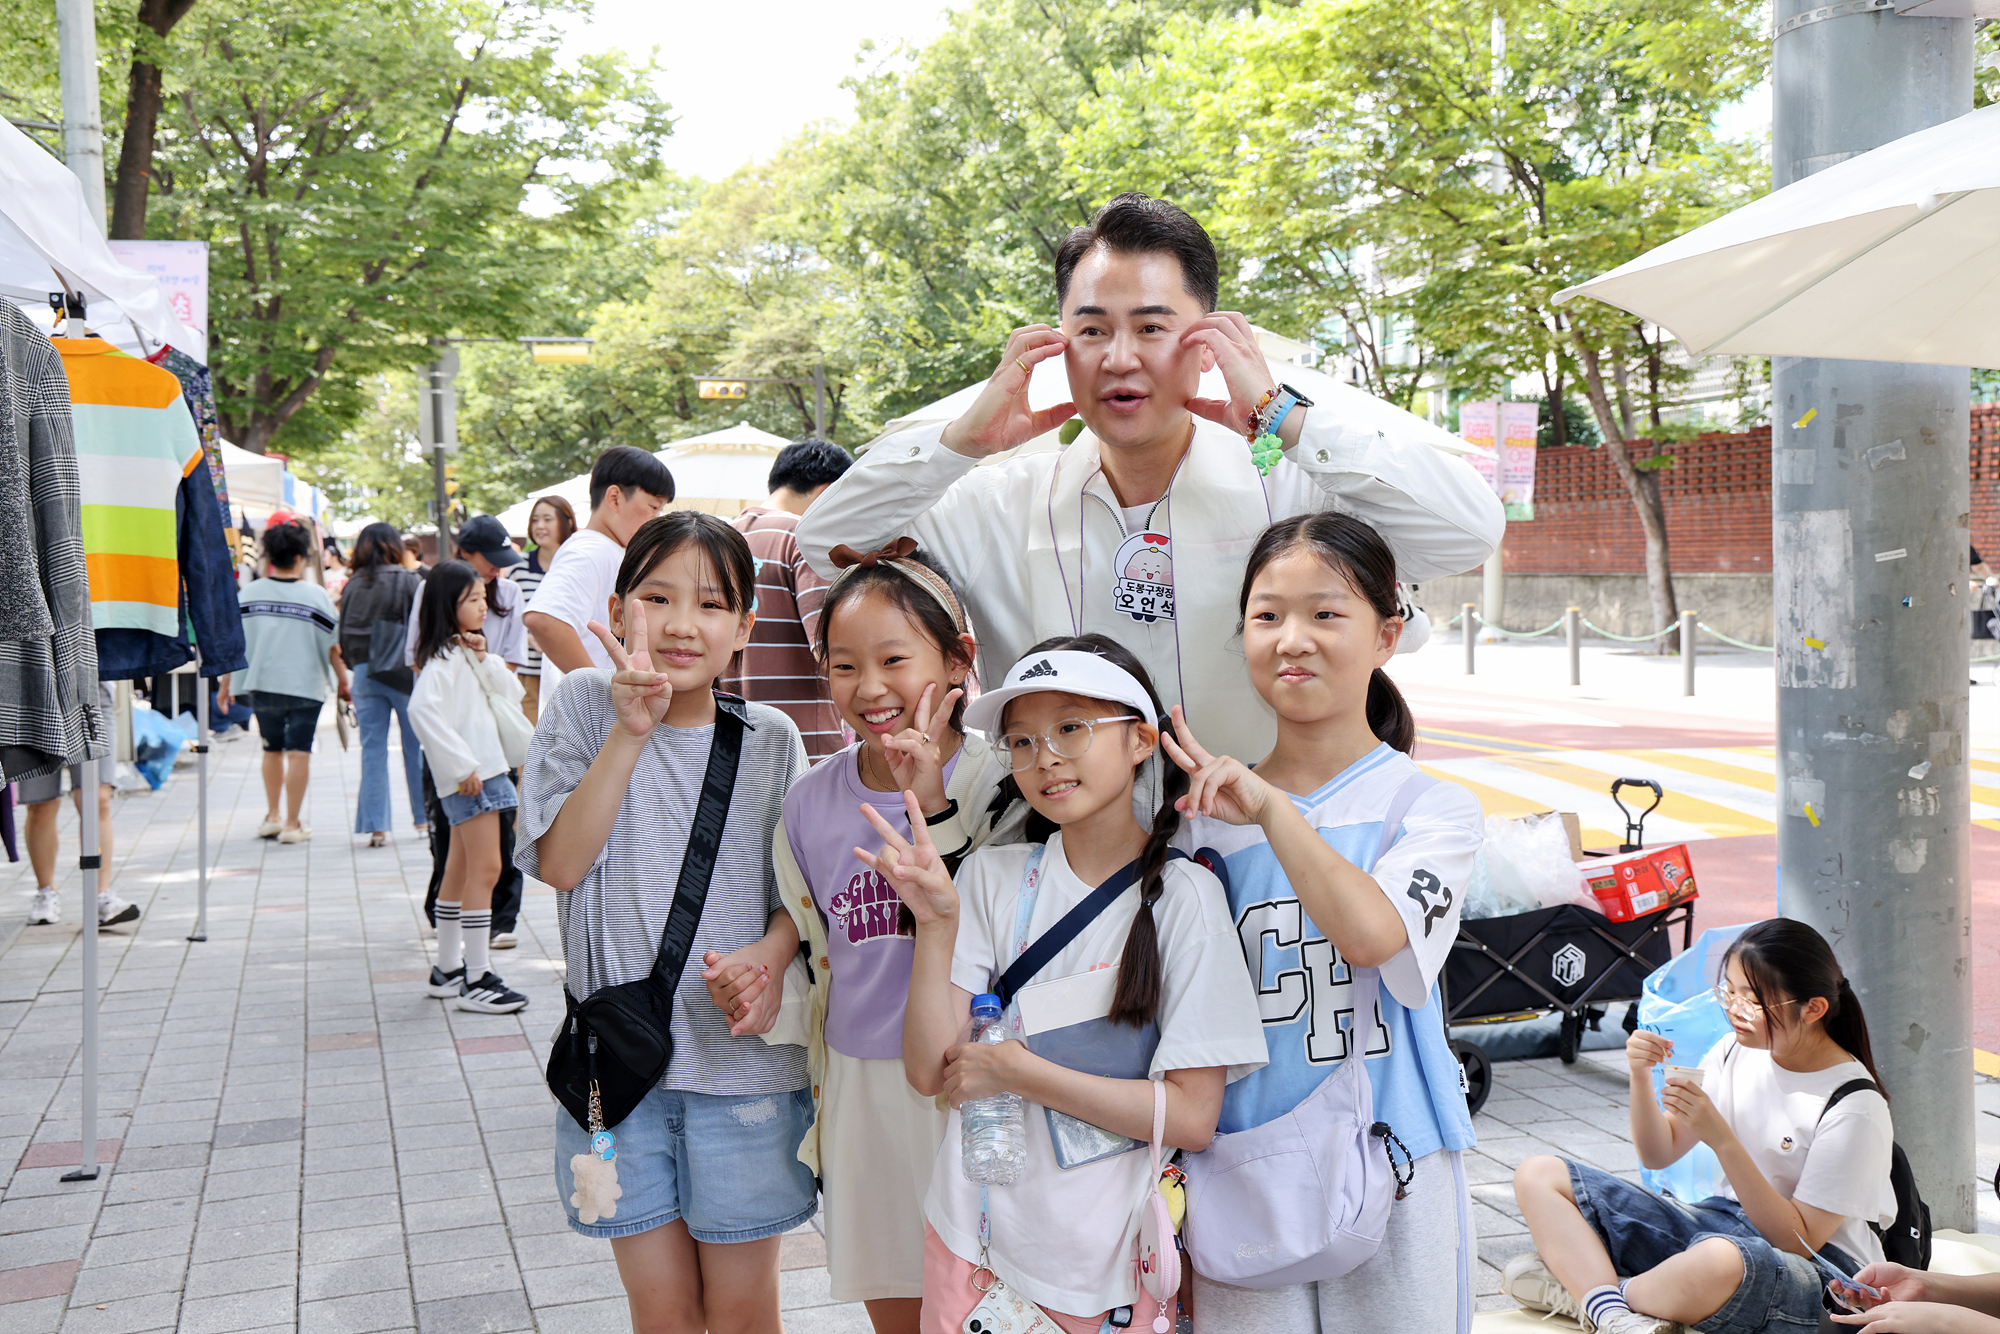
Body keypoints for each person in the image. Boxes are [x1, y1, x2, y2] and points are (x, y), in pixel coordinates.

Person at [796, 191, 1503, 761]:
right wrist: (958, 444)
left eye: (1153, 327)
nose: (1120, 358)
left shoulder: (1296, 496)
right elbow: (827, 543)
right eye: (1092, 330)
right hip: (1065, 864)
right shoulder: (998, 502)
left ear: (1211, 343)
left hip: (1265, 852)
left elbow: (1468, 532)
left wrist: (1286, 419)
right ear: (1058, 344)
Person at [867, 635, 1267, 1334]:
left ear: (1141, 740)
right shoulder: (990, 878)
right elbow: (931, 1072)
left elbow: (1191, 1118)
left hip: (1112, 1269)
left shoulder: (1186, 897)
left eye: (1071, 729)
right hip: (974, 1253)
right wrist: (934, 926)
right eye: (1021, 742)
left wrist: (1018, 1072)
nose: (1044, 757)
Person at [1158, 512, 1483, 1333]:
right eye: (1267, 616)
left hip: (1398, 1155)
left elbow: (1373, 935)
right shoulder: (1197, 825)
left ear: (1387, 636)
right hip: (1240, 1163)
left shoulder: (1429, 808)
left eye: (1326, 613)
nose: (1292, 639)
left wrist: (1273, 810)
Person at [517, 512, 813, 1334]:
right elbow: (561, 865)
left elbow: (800, 896)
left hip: (743, 1075)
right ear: (617, 612)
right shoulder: (582, 706)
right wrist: (629, 730)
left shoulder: (771, 740)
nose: (683, 623)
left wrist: (768, 956)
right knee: (663, 1312)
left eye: (712, 604)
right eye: (658, 597)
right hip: (616, 1079)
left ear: (745, 627)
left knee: (744, 1312)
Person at [760, 542, 1015, 1334]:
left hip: (978, 1084)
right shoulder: (808, 801)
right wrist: (765, 960)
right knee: (898, 1300)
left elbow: (1008, 928)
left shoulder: (1006, 782)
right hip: (861, 1085)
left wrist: (933, 802)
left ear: (958, 659)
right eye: (843, 665)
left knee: (996, 1299)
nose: (869, 688)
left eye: (895, 660)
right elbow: (806, 922)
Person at [1506, 918, 1896, 1334]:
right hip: (1722, 1227)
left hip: (1822, 1271)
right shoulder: (1732, 1050)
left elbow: (1798, 1240)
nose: (1733, 1010)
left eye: (1752, 1002)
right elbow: (1659, 1152)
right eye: (1729, 992)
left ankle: (1592, 1293)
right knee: (1539, 1174)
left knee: (1718, 1262)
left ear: (1813, 1009)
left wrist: (1723, 1140)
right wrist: (1640, 1075)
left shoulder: (1855, 1105)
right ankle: (1619, 1315)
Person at [407, 561, 530, 1014]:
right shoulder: (443, 659)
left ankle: (447, 969)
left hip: (476, 772)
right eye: (474, 599)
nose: (483, 606)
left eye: (483, 597)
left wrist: (483, 656)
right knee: (487, 869)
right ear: (449, 604)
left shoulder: (459, 652)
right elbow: (421, 711)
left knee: (459, 870)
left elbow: (510, 693)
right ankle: (477, 977)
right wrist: (461, 766)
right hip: (476, 775)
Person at [723, 438, 854, 759]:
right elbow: (831, 647)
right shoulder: (805, 538)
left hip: (729, 739)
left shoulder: (719, 538)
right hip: (803, 744)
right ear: (827, 492)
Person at [522, 446, 674, 688]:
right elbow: (544, 619)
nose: (654, 519)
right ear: (614, 498)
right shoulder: (591, 550)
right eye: (653, 507)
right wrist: (599, 691)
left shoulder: (604, 549)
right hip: (589, 710)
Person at [238, 518, 349, 844]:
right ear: (300, 557)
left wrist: (227, 686)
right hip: (306, 685)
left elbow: (237, 646)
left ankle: (272, 816)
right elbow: (333, 647)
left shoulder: (248, 595)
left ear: (269, 556)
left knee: (271, 749)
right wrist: (344, 682)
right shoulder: (316, 596)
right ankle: (291, 824)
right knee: (299, 752)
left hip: (262, 683)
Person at [339, 522, 428, 846]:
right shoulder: (409, 579)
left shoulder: (352, 585)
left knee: (372, 750)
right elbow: (423, 626)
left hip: (364, 672)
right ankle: (423, 819)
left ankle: (377, 827)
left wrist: (356, 665)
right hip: (403, 672)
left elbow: (343, 634)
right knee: (415, 747)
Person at [22, 689, 136, 929]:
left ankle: (101, 894)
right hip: (34, 688)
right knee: (41, 803)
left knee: (97, 798)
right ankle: (46, 891)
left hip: (91, 687)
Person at [509, 495, 577, 724]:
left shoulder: (577, 565)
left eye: (547, 519)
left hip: (568, 673)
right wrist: (529, 637)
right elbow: (508, 618)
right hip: (528, 672)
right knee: (528, 738)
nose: (540, 526)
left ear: (566, 522)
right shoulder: (518, 567)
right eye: (535, 520)